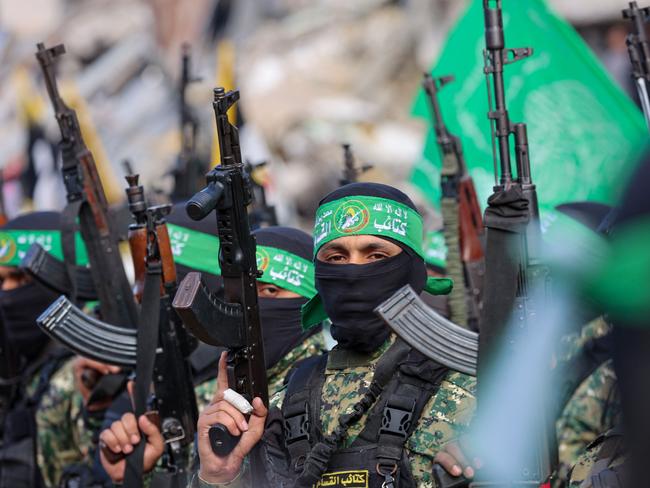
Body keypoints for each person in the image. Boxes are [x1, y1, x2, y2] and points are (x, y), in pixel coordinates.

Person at [186, 182, 476, 487]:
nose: (353, 273)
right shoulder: (280, 408)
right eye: (336, 258)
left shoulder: (474, 391)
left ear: (412, 269)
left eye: (375, 255)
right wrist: (219, 475)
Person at [99, 224, 328, 485]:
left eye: (271, 291)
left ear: (312, 301)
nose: (254, 304)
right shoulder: (210, 400)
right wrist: (139, 476)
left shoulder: (327, 393)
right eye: (244, 292)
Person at [0, 212, 76, 488]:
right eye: (1, 282)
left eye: (21, 279)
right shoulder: (19, 360)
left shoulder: (83, 372)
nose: (7, 294)